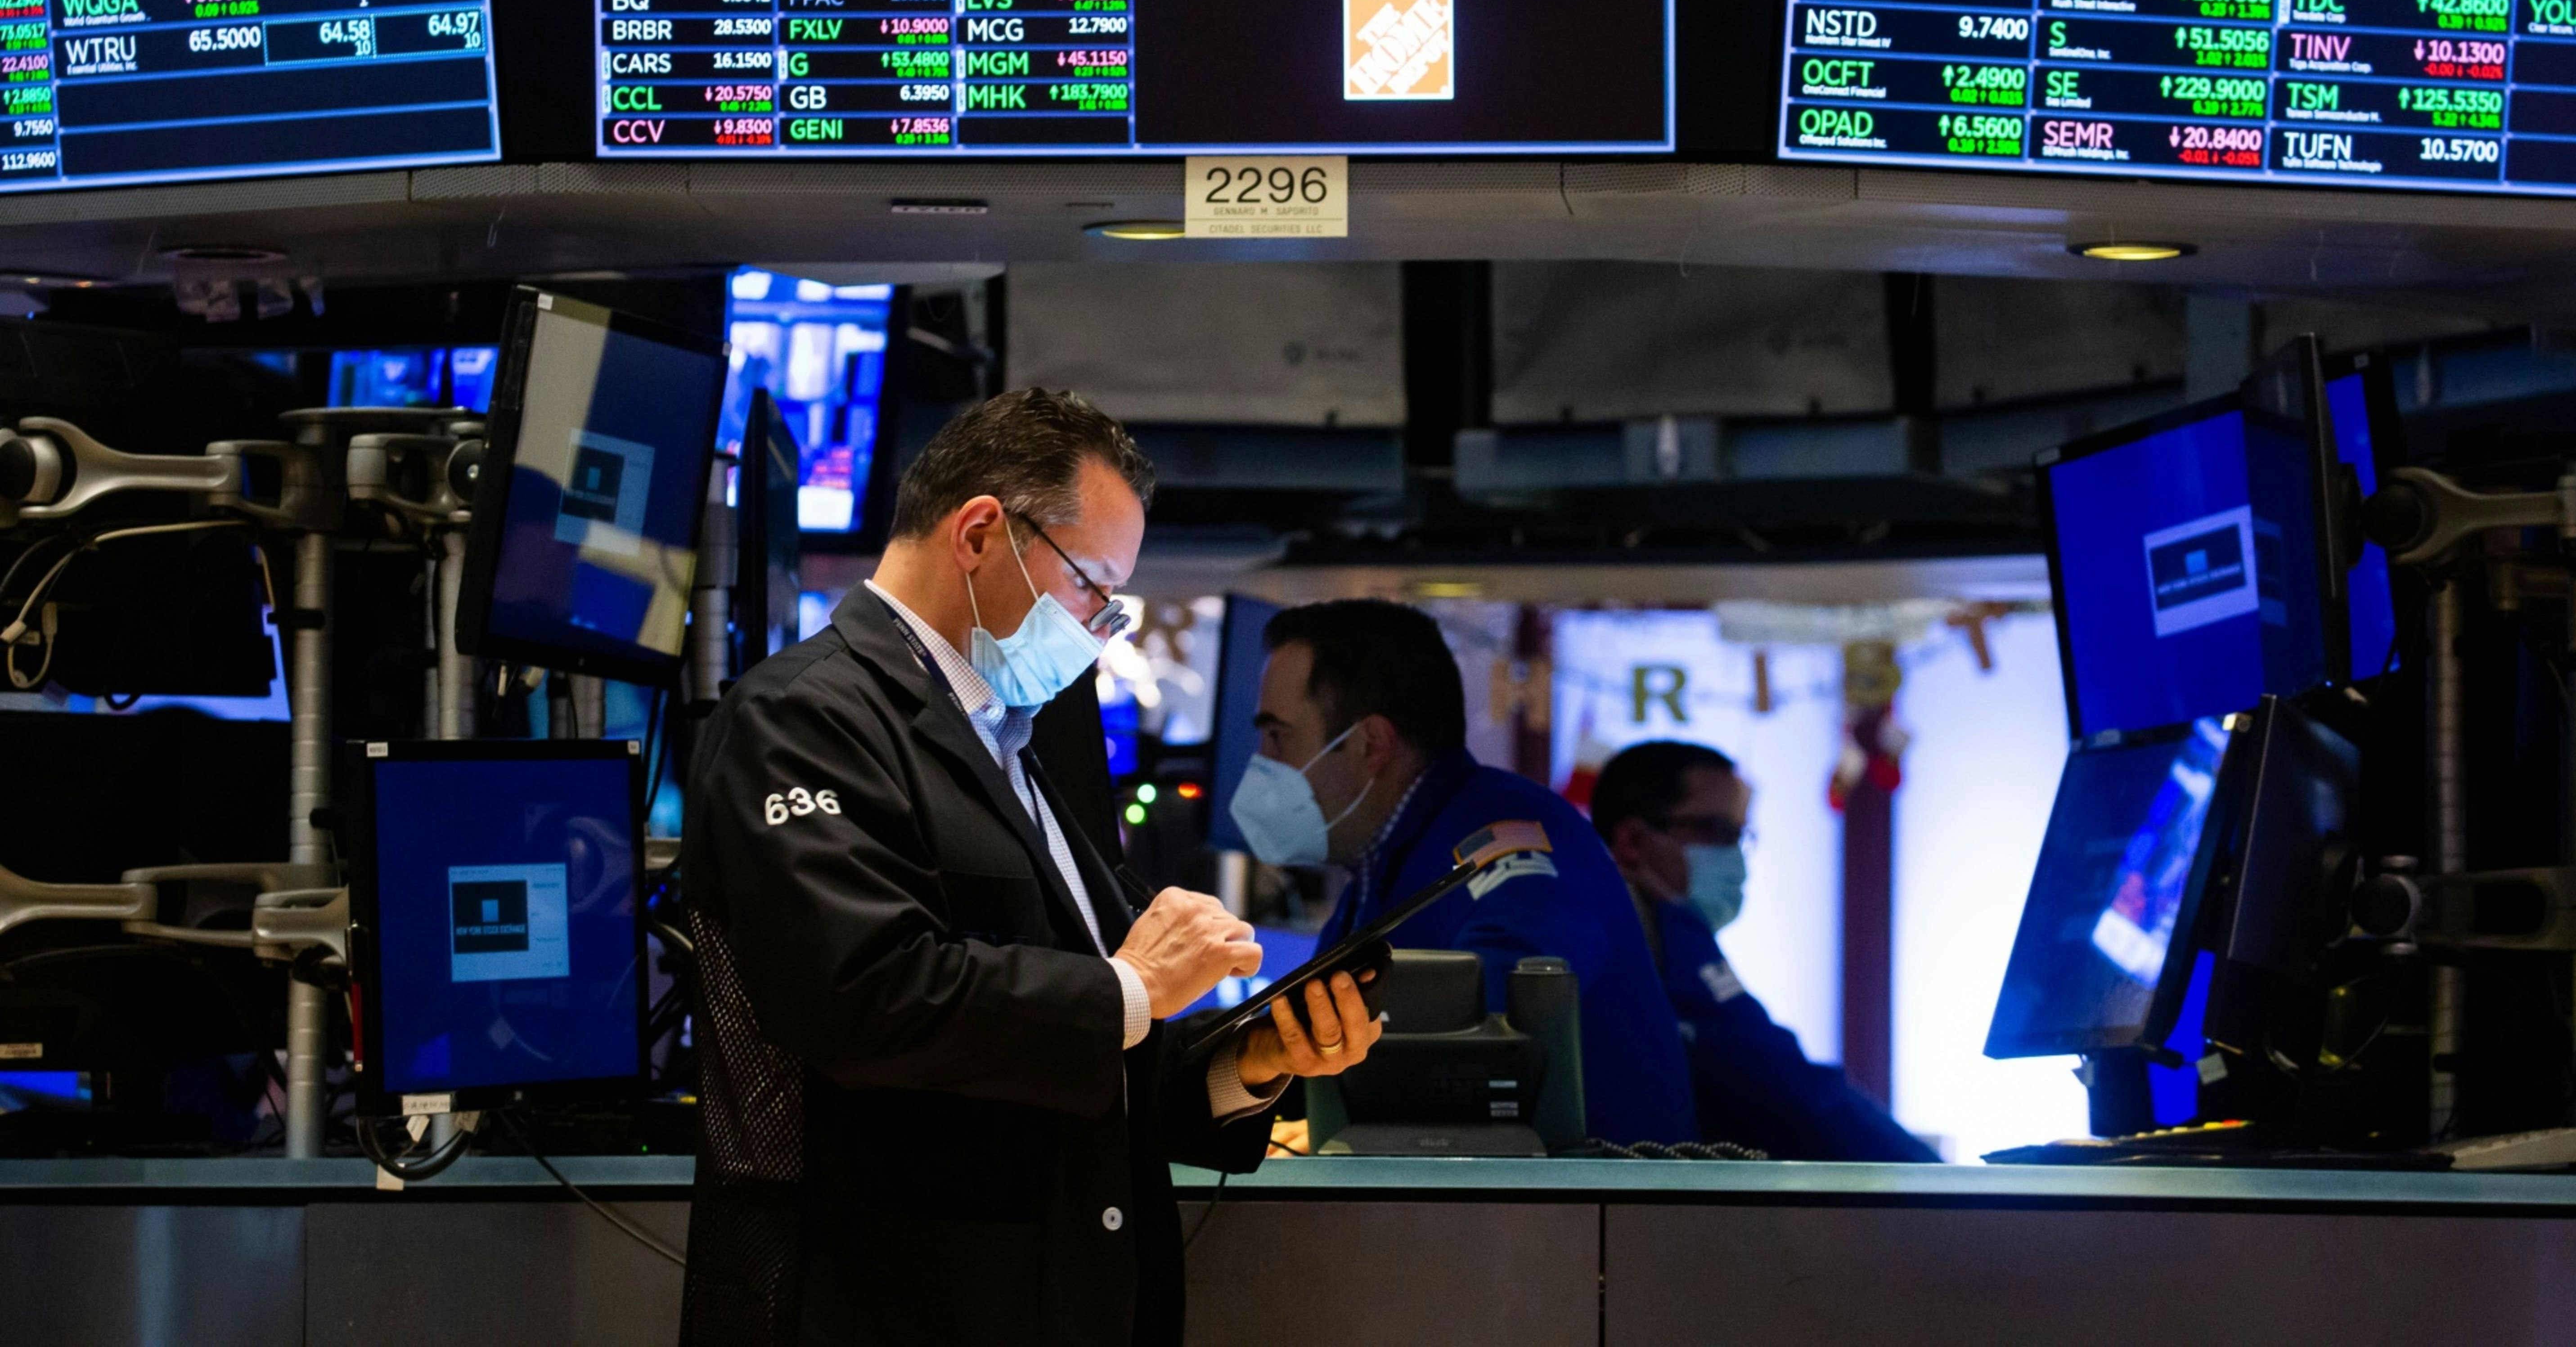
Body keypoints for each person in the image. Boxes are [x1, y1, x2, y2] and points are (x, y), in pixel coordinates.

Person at [679, 389, 1384, 1346]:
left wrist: (1251, 1057)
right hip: (901, 1305)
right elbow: (862, 993)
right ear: (979, 533)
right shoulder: (805, 715)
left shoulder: (1018, 738)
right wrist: (1134, 986)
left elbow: (1094, 1046)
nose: (1101, 627)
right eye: (1092, 585)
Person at [1236, 600, 1698, 1146]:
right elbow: (1311, 1050)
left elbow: (1488, 1043)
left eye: (1278, 736)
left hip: (1587, 1197)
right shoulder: (1388, 860)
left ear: (1370, 744)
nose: (1262, 761)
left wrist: (1323, 1129)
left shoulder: (1514, 843)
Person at [1589, 739, 1937, 1163]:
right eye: (1719, 832)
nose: (1735, 856)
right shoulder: (1630, 934)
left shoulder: (1660, 928)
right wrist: (1936, 1179)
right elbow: (1783, 1086)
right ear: (1633, 841)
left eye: (1740, 836)